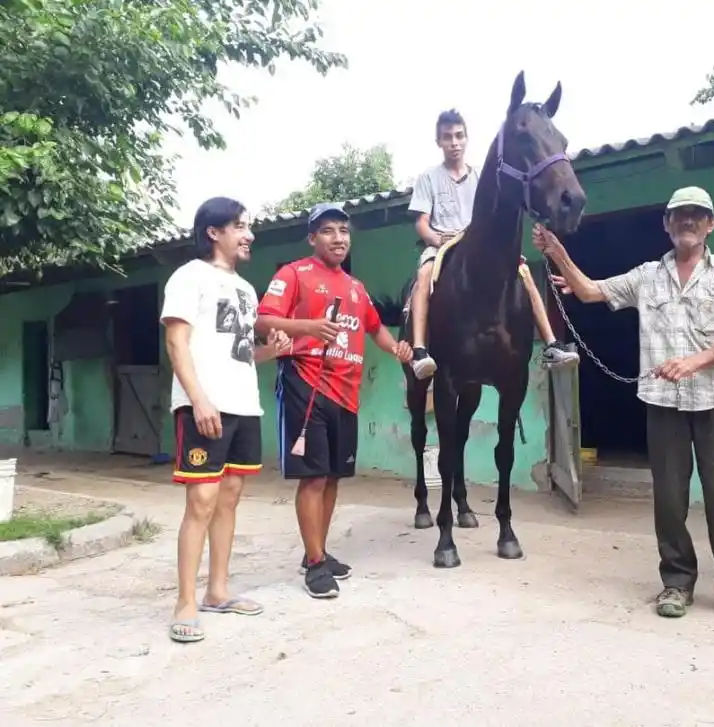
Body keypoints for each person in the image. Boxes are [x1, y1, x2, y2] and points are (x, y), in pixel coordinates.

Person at [533, 186, 714, 625]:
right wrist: (559, 252)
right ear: (667, 224)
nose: (688, 222)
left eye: (697, 215)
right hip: (663, 403)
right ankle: (676, 582)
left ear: (711, 224)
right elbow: (588, 291)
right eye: (679, 215)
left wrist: (693, 362)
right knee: (669, 498)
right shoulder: (647, 276)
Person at [256, 202, 414, 599]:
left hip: (347, 393)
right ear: (313, 238)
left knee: (332, 479)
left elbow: (376, 330)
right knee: (312, 478)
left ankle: (320, 552)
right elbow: (263, 320)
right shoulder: (294, 274)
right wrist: (309, 327)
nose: (338, 238)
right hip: (306, 385)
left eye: (343, 231)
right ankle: (313, 564)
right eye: (328, 231)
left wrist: (398, 349)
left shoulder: (356, 288)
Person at [161, 196, 292, 644]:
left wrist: (269, 352)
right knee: (201, 501)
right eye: (239, 226)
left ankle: (218, 590)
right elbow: (177, 344)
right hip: (204, 405)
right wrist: (198, 400)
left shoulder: (246, 289)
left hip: (242, 404)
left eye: (248, 226)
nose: (248, 234)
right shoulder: (188, 277)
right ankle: (185, 602)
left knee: (230, 498)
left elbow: (240, 353)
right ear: (213, 232)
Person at [405, 108, 579, 380]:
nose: (454, 142)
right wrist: (437, 239)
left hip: (476, 240)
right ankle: (419, 349)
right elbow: (421, 223)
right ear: (438, 141)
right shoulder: (428, 177)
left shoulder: (479, 176)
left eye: (459, 136)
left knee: (523, 273)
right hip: (442, 244)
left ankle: (550, 343)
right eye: (447, 137)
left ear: (466, 139)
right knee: (424, 273)